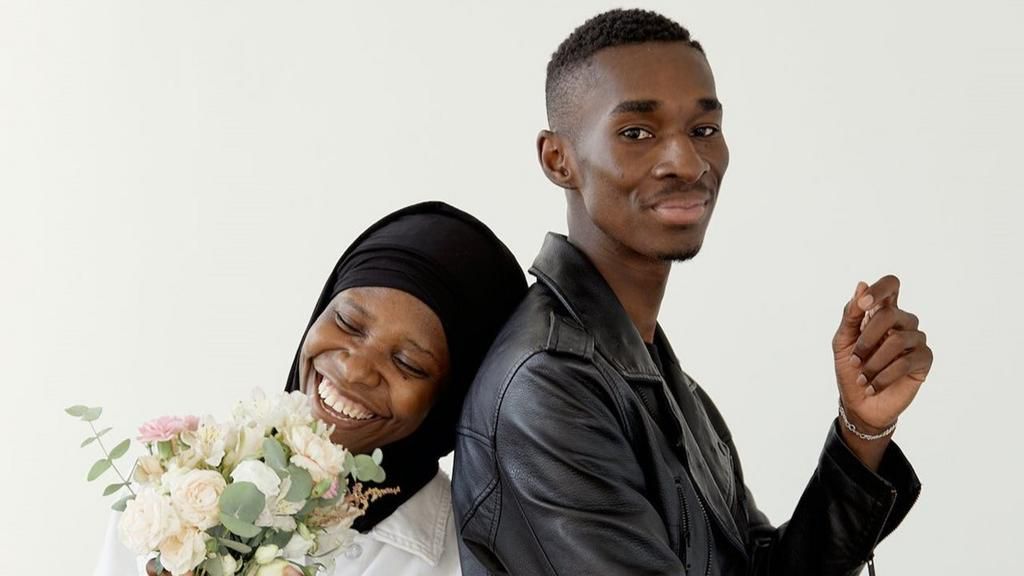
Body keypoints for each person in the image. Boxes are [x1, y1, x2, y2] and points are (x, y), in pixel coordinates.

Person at [453, 9, 930, 576]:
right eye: (637, 133)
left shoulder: (652, 372)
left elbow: (759, 569)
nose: (687, 161)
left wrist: (862, 429)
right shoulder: (547, 388)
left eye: (703, 130)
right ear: (559, 159)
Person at [94, 201, 527, 575]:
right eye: (348, 323)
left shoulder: (470, 565)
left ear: (453, 399)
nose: (356, 369)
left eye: (407, 362)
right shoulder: (171, 497)